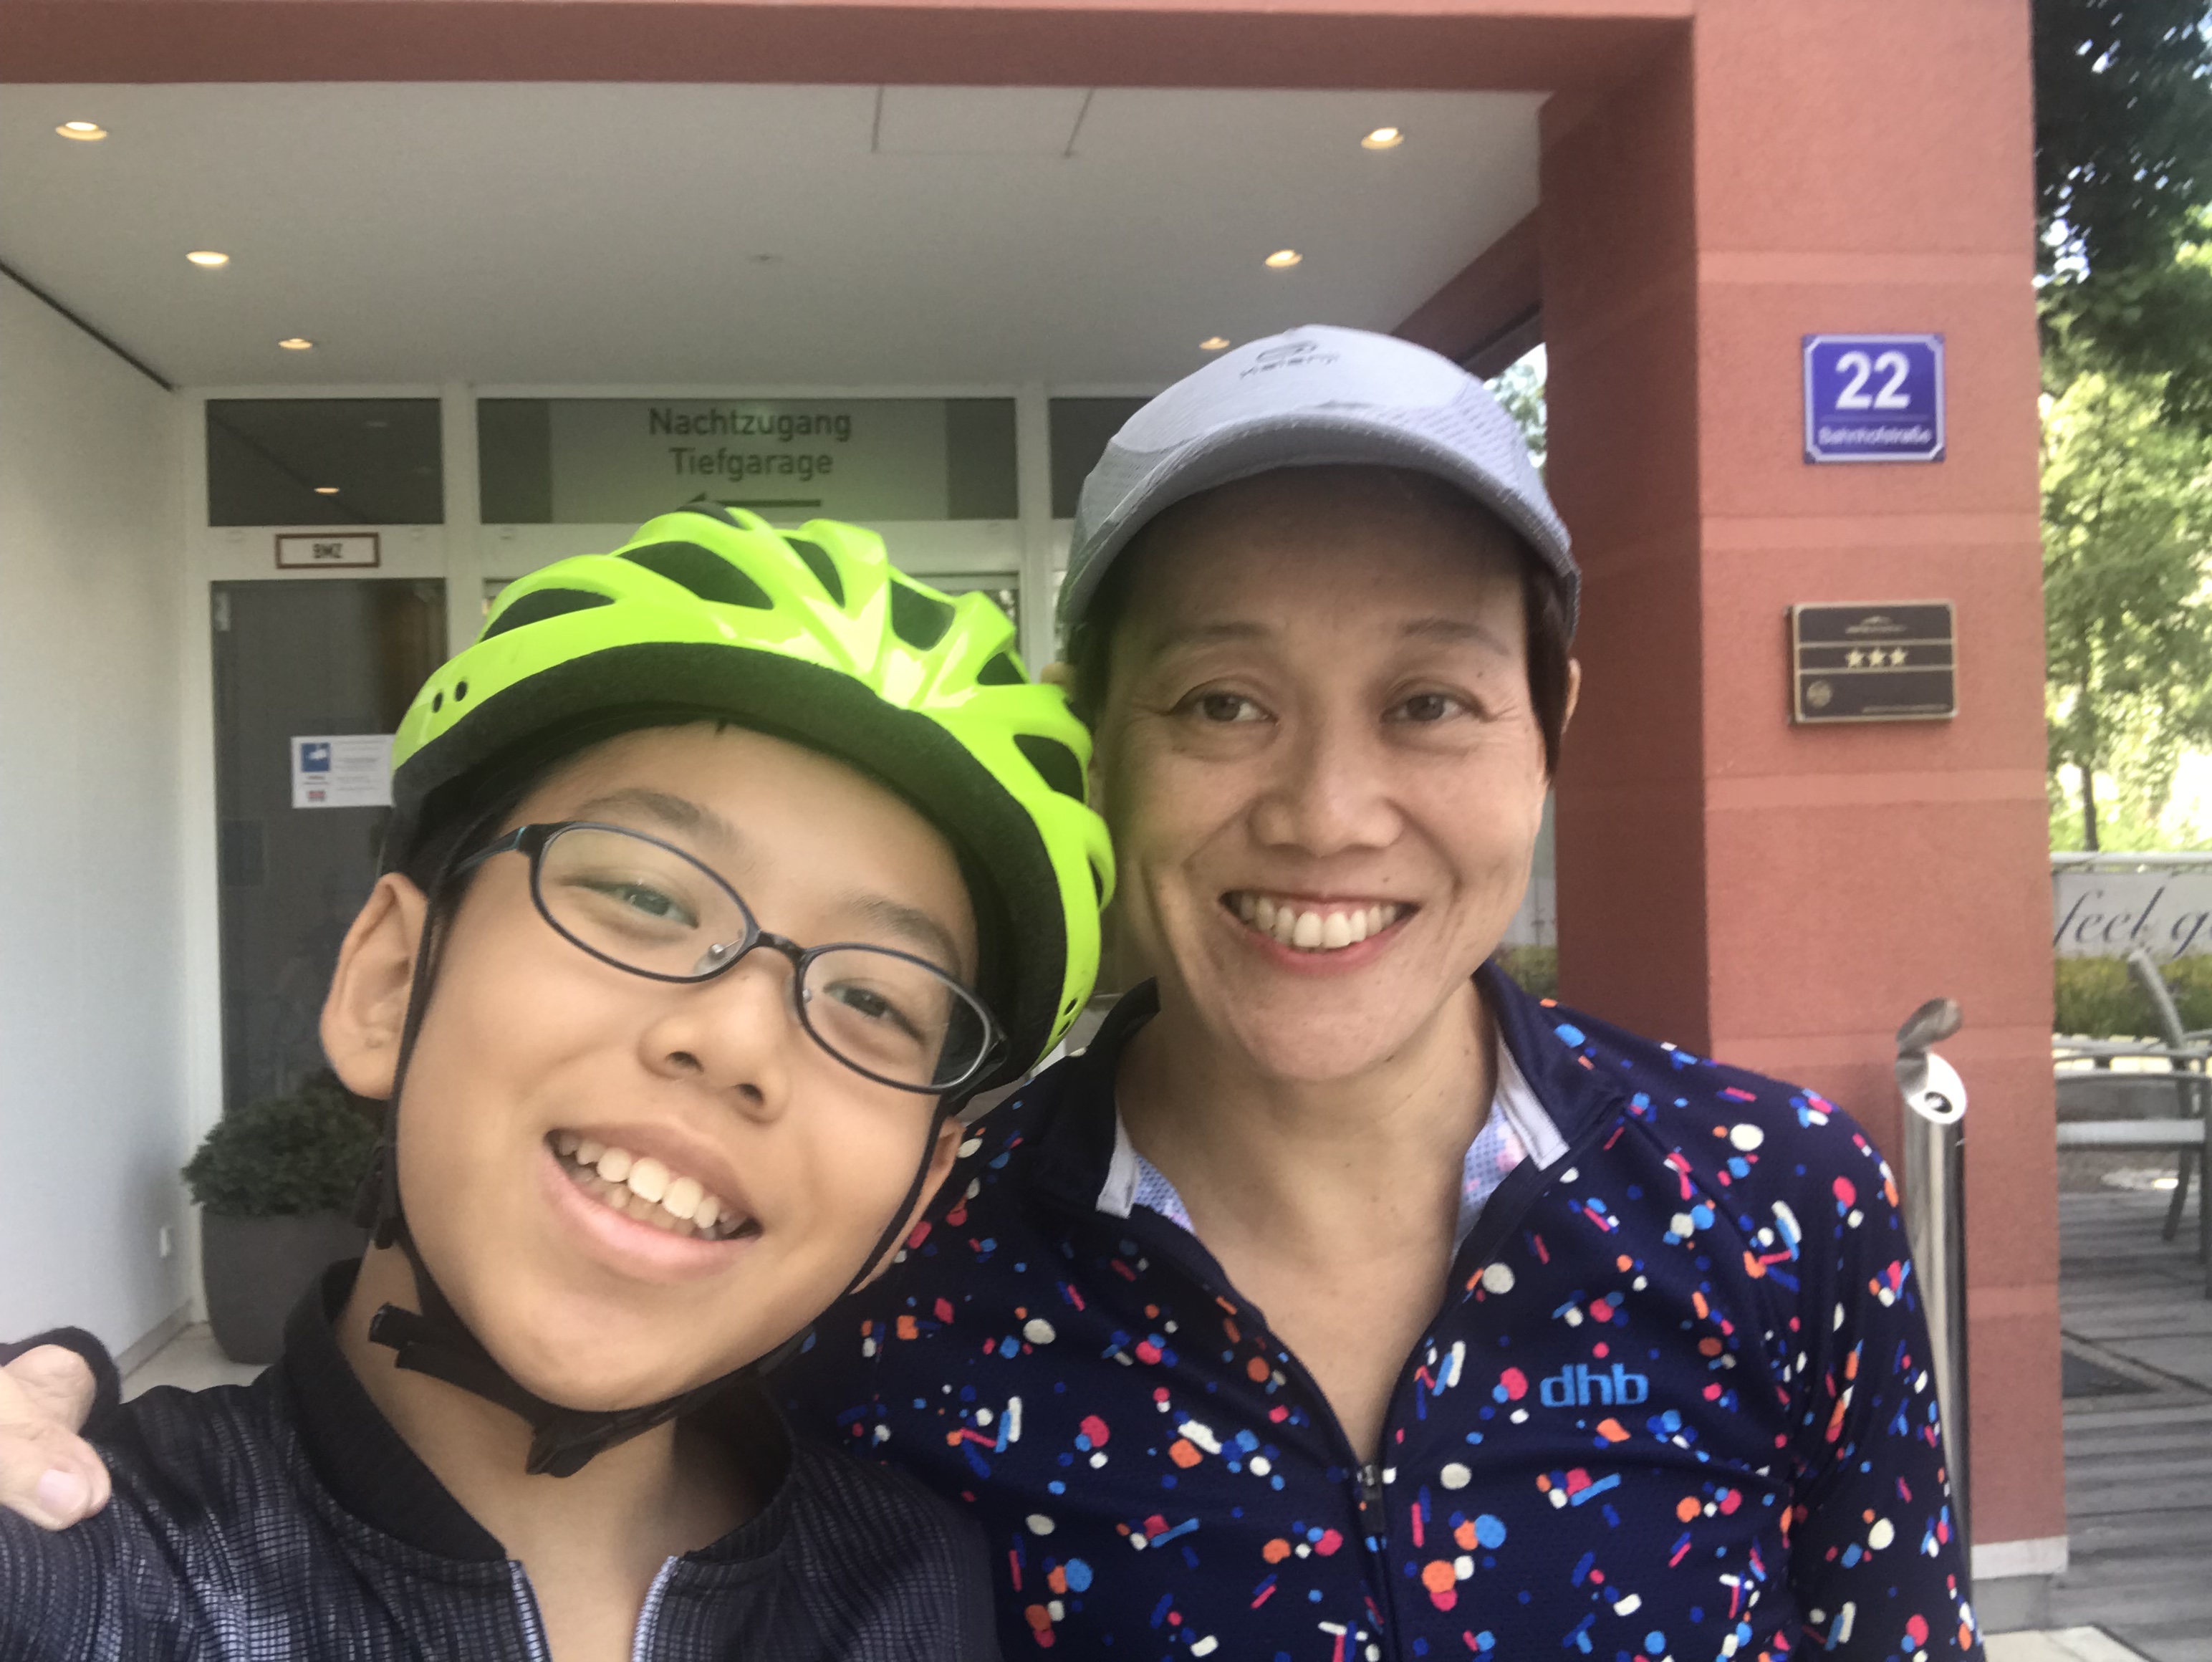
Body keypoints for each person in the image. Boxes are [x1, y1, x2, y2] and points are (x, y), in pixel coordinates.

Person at [4, 330, 1978, 1662]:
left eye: (1432, 702)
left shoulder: (1774, 1205)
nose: (1327, 807)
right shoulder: (912, 1284)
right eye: (1221, 701)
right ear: (1104, 744)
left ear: (1547, 731)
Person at [0, 507, 1111, 1661]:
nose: (738, 1037)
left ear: (920, 1196)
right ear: (391, 983)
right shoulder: (83, 1567)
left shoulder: (914, 1588)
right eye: (642, 897)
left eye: (876, 1002)